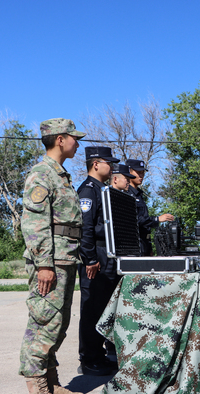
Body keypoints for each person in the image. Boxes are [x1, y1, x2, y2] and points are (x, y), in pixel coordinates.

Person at [18, 118, 85, 394]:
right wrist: (44, 264)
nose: (77, 143)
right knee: (44, 321)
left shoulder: (60, 174)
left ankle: (51, 379)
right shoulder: (41, 174)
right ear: (60, 139)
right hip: (52, 260)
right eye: (74, 138)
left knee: (58, 323)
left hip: (66, 258)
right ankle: (37, 385)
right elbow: (34, 223)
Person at [77, 146, 120, 376]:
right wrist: (90, 258)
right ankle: (89, 358)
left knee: (104, 308)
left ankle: (100, 356)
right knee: (92, 309)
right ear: (96, 164)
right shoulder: (88, 191)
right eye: (108, 163)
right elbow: (85, 227)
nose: (111, 167)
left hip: (107, 255)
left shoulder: (102, 189)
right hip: (96, 256)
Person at [126, 159, 174, 256]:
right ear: (129, 172)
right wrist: (157, 219)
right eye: (138, 172)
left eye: (142, 173)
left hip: (144, 245)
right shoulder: (127, 194)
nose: (141, 176)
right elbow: (135, 221)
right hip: (133, 247)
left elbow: (145, 226)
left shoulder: (139, 194)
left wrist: (149, 247)